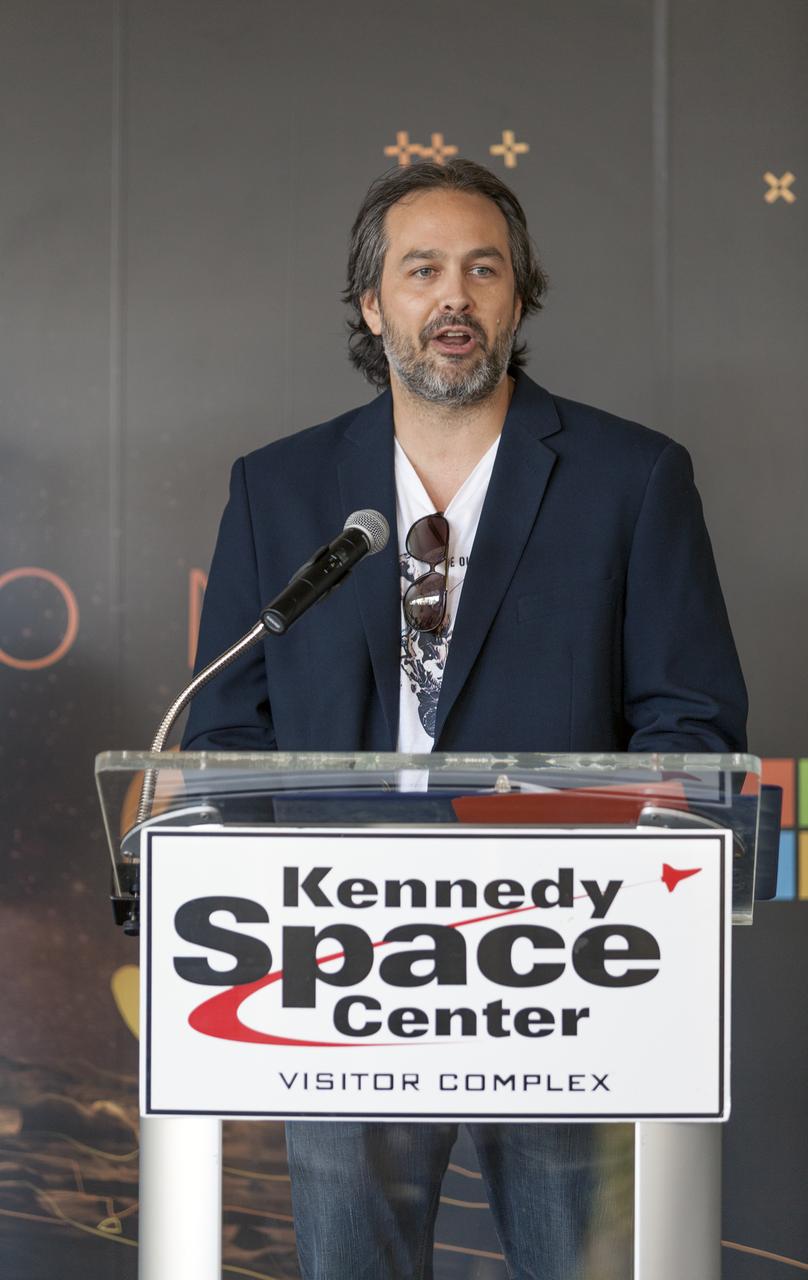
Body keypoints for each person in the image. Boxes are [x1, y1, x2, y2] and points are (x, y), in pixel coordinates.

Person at [183, 159, 747, 1279]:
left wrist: (599, 875)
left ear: (518, 296)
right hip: (337, 964)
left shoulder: (630, 478)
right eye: (422, 269)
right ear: (371, 304)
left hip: (562, 963)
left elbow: (690, 725)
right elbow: (223, 730)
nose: (454, 296)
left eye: (482, 269)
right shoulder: (281, 488)